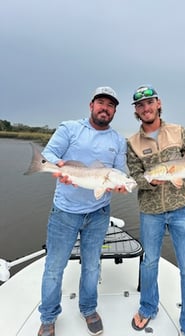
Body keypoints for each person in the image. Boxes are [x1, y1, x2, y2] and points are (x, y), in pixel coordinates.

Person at [38, 86, 127, 336]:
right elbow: (49, 154)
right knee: (55, 267)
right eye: (101, 102)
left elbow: (121, 172)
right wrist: (59, 166)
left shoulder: (118, 141)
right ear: (91, 105)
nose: (105, 108)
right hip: (65, 212)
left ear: (114, 112)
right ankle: (48, 317)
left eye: (110, 105)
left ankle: (88, 309)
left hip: (99, 213)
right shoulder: (70, 128)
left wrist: (121, 185)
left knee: (92, 266)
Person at [127, 85, 185, 336]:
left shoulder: (178, 131)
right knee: (149, 263)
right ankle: (148, 307)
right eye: (140, 105)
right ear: (136, 111)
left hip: (182, 208)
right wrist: (149, 181)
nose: (145, 108)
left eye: (149, 102)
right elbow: (135, 176)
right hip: (150, 212)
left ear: (158, 103)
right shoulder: (132, 142)